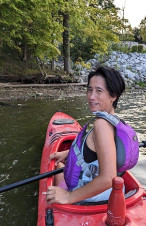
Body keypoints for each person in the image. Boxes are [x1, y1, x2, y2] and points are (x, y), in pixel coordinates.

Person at [46, 66, 126, 204]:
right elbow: (97, 151)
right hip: (110, 193)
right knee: (62, 165)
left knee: (58, 167)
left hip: (93, 197)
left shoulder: (101, 125)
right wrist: (68, 153)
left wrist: (68, 197)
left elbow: (108, 178)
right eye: (89, 90)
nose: (91, 96)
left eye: (99, 91)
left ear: (113, 96)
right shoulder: (115, 121)